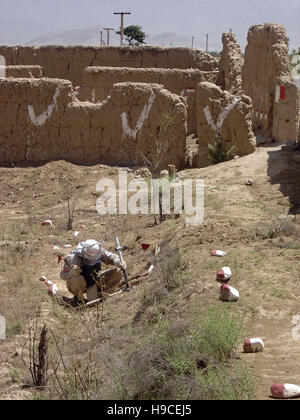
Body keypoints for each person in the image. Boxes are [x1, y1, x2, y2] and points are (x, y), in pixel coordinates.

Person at [60, 239, 126, 306]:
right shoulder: (73, 258)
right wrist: (71, 273)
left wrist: (117, 261)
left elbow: (110, 256)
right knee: (77, 279)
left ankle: (103, 293)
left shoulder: (98, 251)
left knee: (117, 273)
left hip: (94, 281)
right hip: (80, 285)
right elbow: (62, 275)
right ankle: (79, 300)